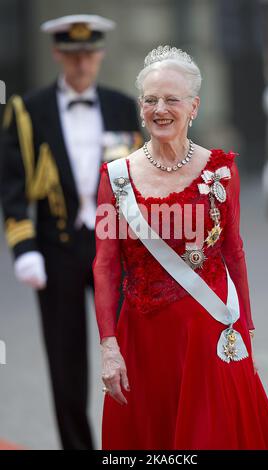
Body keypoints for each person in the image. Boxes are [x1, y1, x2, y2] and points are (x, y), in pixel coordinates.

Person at [93, 45, 268, 450]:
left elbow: (234, 252)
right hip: (143, 342)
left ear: (193, 106)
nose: (160, 109)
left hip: (209, 334)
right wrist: (109, 346)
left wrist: (246, 336)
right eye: (150, 100)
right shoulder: (117, 177)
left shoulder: (220, 169)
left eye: (171, 99)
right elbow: (106, 266)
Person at [0, 14, 141, 450]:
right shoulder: (28, 109)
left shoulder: (124, 106)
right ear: (58, 54)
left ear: (100, 54)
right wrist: (24, 246)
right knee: (66, 364)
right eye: (73, 54)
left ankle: (131, 448)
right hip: (57, 248)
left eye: (89, 53)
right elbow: (12, 180)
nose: (82, 63)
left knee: (130, 354)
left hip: (116, 248)